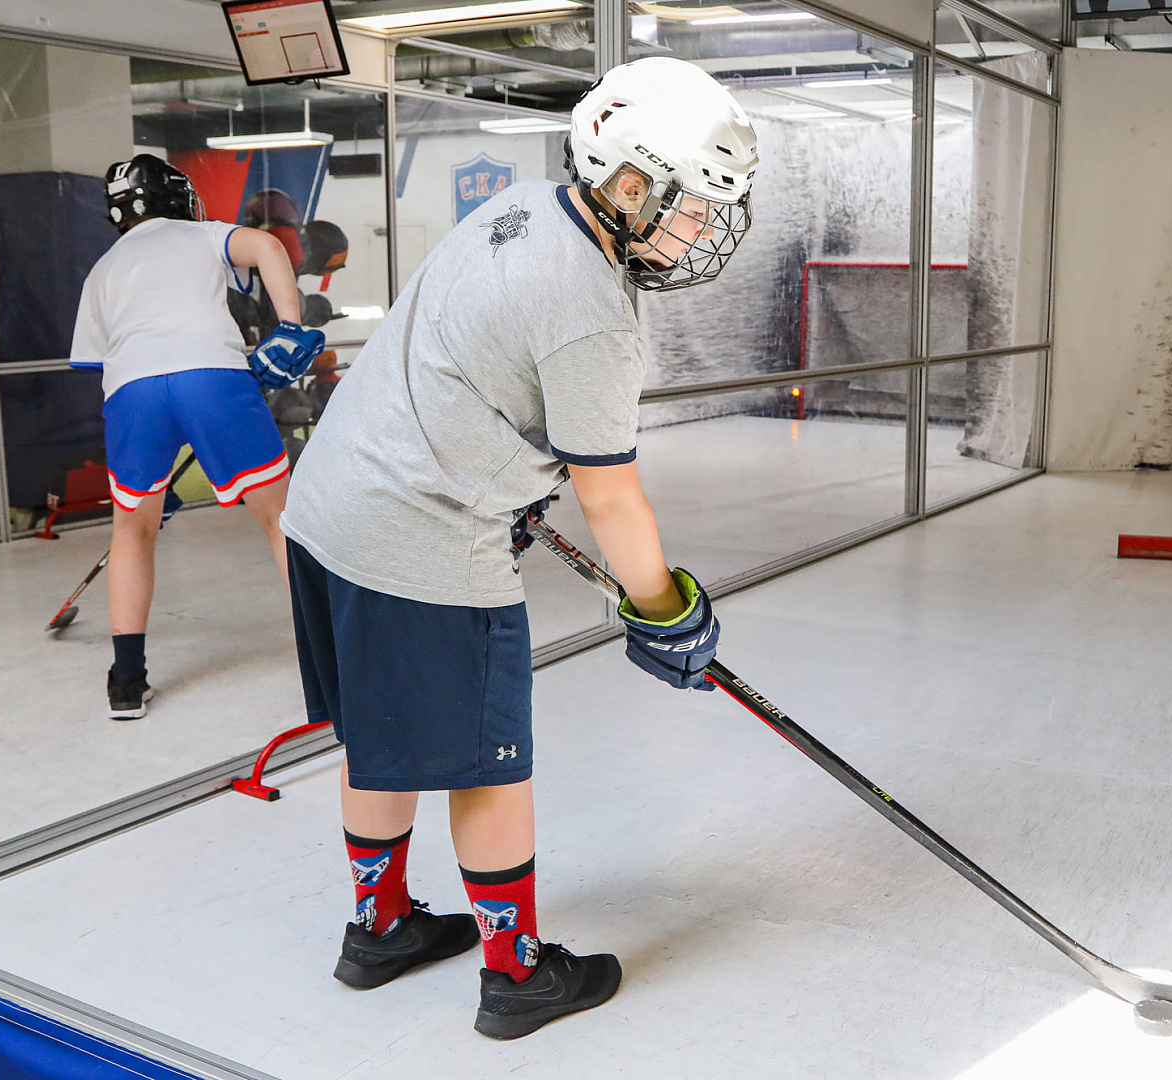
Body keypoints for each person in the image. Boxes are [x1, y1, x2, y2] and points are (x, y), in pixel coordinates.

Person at [277, 56, 758, 1039]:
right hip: (419, 540)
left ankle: (380, 930)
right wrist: (665, 611)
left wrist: (508, 473)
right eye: (697, 205)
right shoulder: (592, 312)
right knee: (488, 764)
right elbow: (611, 497)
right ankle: (515, 974)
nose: (707, 228)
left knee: (378, 733)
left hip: (329, 507)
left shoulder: (525, 208)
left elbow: (461, 354)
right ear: (631, 187)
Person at [69, 155, 322, 719]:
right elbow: (268, 247)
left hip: (131, 394)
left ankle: (126, 683)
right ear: (175, 196)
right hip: (212, 377)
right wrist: (290, 326)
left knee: (132, 530)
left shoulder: (102, 268)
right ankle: (329, 661)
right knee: (281, 517)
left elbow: (99, 363)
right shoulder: (202, 234)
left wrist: (150, 475)